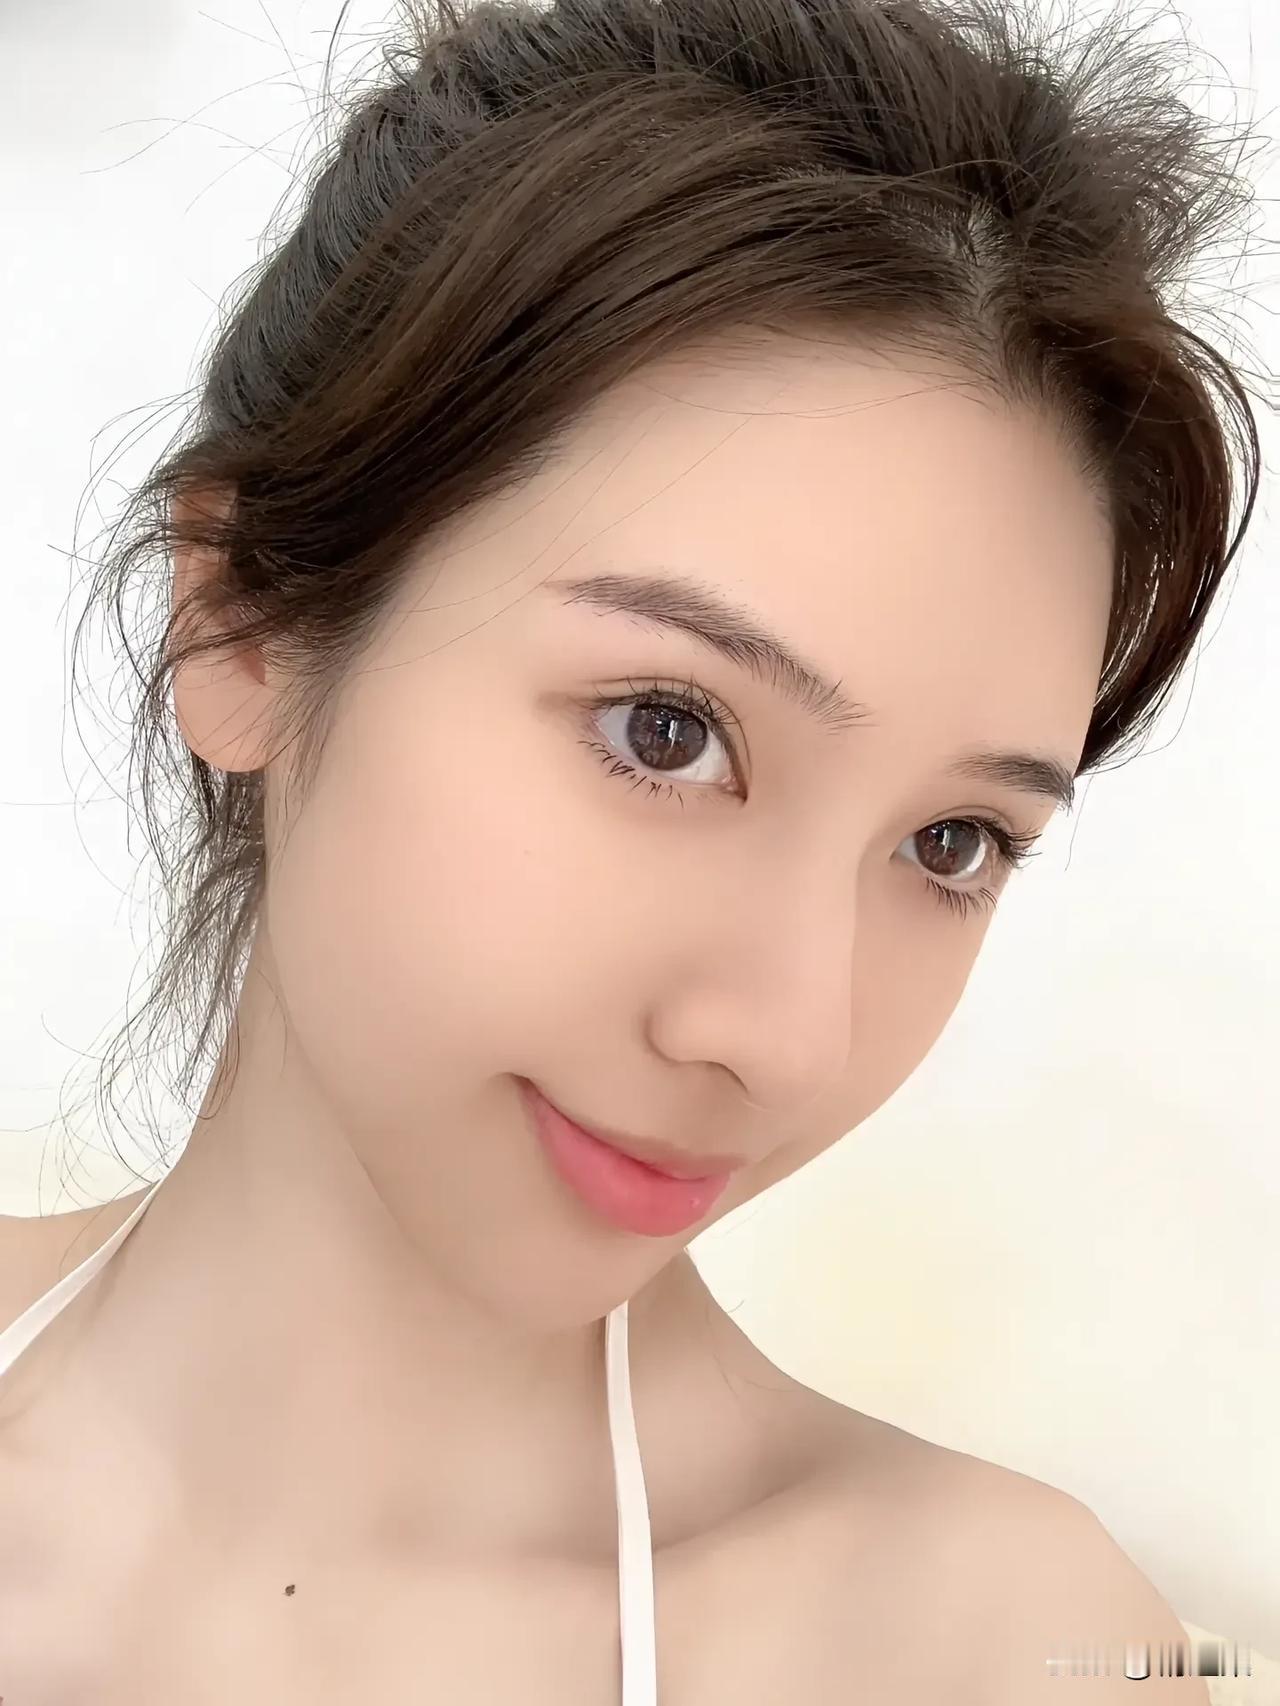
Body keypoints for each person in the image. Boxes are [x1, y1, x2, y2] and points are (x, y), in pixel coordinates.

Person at [0, 0, 1260, 1698]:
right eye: (668, 730)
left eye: (953, 840)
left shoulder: (1017, 1645)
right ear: (241, 625)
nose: (786, 1034)